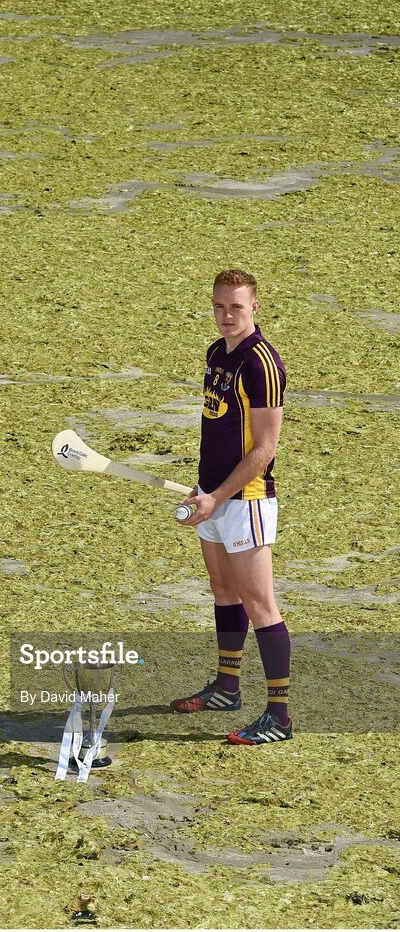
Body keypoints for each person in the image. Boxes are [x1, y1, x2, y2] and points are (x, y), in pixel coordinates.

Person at [170, 269, 292, 745]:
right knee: (223, 590)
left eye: (236, 307)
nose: (226, 315)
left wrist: (219, 496)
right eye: (219, 306)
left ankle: (279, 716)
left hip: (246, 499)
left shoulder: (262, 364)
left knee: (260, 603)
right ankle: (227, 686)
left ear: (254, 308)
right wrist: (205, 491)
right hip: (212, 495)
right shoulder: (216, 352)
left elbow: (265, 449)